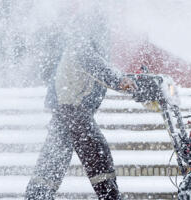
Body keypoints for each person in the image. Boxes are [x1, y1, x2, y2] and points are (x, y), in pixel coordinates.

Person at [25, 4, 135, 200]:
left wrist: (125, 79)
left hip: (67, 110)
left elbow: (100, 66)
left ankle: (37, 195)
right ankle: (110, 197)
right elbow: (96, 66)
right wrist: (120, 81)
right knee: (97, 152)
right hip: (73, 109)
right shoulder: (82, 44)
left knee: (55, 157)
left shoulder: (83, 42)